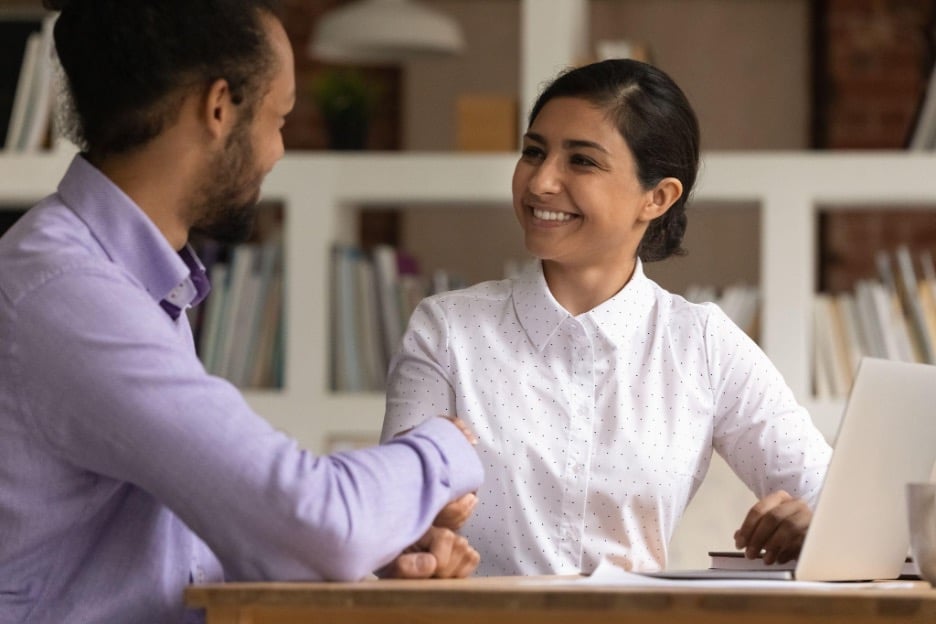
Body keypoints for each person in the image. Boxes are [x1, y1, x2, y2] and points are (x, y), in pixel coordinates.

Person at [0, 1, 483, 623]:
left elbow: (220, 538)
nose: (279, 151)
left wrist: (370, 540)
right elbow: (314, 517)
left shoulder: (129, 280)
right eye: (278, 118)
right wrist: (444, 446)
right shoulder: (70, 293)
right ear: (219, 107)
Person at [380, 58, 831, 576]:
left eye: (582, 162)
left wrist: (813, 520)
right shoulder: (447, 330)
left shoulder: (702, 345)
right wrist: (418, 545)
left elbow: (834, 501)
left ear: (656, 197)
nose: (541, 182)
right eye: (534, 152)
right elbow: (391, 513)